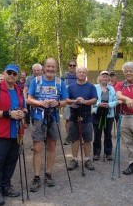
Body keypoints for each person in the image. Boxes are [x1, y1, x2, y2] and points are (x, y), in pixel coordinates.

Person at [0, 64, 25, 206]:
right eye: (10, 72)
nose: (12, 75)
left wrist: (22, 113)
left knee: (11, 160)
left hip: (16, 132)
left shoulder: (19, 90)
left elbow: (23, 107)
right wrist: (8, 114)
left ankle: (6, 186)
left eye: (15, 74)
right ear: (4, 73)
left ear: (17, 76)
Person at [27, 58, 67, 192]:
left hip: (54, 117)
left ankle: (48, 174)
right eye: (48, 66)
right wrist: (40, 103)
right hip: (39, 117)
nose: (50, 69)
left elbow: (65, 100)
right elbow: (29, 99)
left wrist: (58, 104)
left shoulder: (60, 82)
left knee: (51, 146)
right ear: (44, 68)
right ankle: (36, 176)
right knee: (37, 147)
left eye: (53, 67)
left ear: (56, 68)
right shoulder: (36, 81)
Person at [66, 66, 97, 172]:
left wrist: (85, 102)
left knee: (87, 139)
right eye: (79, 72)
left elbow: (94, 99)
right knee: (74, 139)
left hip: (87, 117)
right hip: (74, 116)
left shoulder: (91, 86)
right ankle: (74, 159)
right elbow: (66, 99)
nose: (81, 73)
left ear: (86, 74)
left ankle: (87, 159)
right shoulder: (70, 87)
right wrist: (75, 101)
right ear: (76, 74)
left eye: (84, 72)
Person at [92, 71, 117, 161]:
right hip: (97, 114)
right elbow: (92, 99)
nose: (105, 78)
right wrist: (98, 104)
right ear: (99, 77)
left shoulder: (111, 88)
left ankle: (108, 153)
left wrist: (109, 105)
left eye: (106, 77)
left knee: (108, 135)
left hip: (108, 114)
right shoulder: (95, 87)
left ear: (108, 78)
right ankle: (96, 153)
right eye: (103, 76)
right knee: (97, 135)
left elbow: (116, 100)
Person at [62, 60, 77, 145]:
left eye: (73, 65)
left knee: (78, 120)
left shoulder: (78, 76)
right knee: (68, 120)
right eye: (70, 65)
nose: (72, 67)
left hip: (77, 102)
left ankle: (78, 137)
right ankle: (69, 137)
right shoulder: (64, 77)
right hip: (67, 101)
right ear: (68, 66)